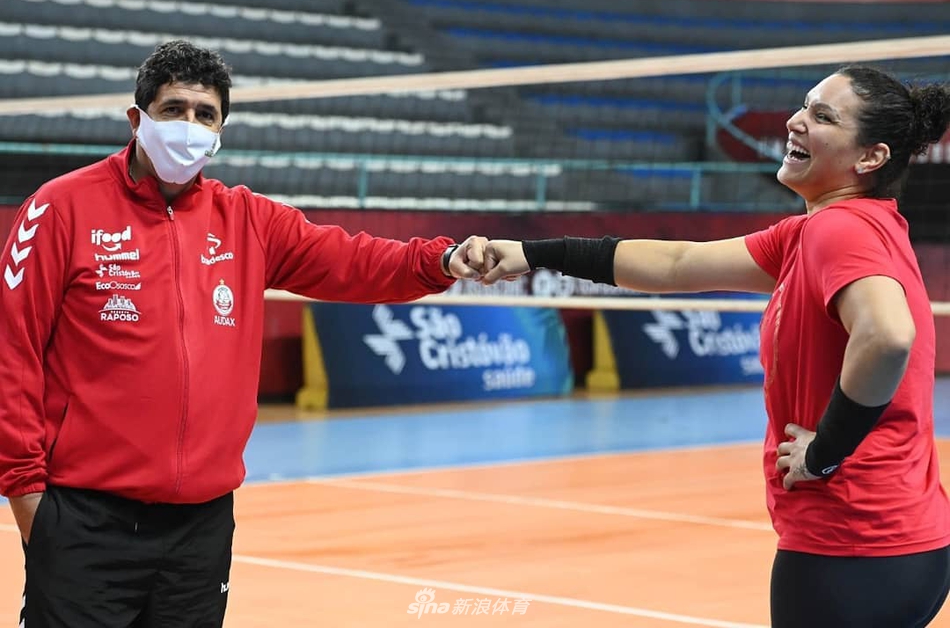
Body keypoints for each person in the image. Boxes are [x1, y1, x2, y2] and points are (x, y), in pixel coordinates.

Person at [0, 40, 487, 627]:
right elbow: (11, 351)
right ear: (137, 119)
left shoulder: (249, 221)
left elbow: (353, 261)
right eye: (173, 109)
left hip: (199, 530)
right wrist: (27, 497)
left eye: (205, 114)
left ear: (220, 131)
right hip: (84, 519)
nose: (189, 125)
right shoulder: (60, 207)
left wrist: (443, 260)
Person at [479, 65, 950, 627]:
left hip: (853, 542)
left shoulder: (840, 229)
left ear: (870, 158)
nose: (796, 121)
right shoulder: (819, 231)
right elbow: (675, 262)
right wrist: (534, 254)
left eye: (823, 116)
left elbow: (889, 335)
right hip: (903, 538)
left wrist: (825, 451)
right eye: (805, 105)